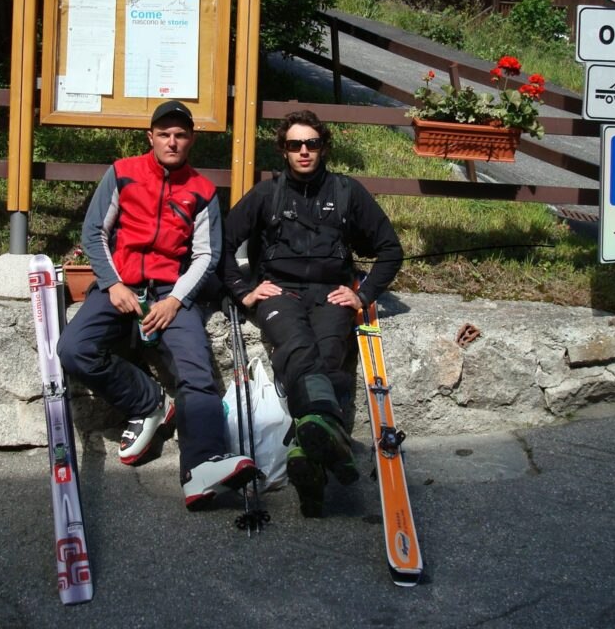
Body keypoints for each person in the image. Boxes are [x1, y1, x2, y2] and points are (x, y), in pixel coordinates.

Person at [58, 100, 258, 510]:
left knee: (196, 369)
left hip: (171, 292)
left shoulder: (202, 191)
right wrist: (113, 284)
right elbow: (94, 232)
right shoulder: (122, 173)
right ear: (150, 137)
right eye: (164, 134)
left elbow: (205, 255)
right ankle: (147, 402)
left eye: (181, 134)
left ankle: (202, 465)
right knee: (73, 349)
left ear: (191, 140)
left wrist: (175, 300)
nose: (172, 141)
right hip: (120, 288)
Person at [221, 109, 404, 517]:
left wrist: (363, 295)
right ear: (283, 151)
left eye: (311, 144)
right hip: (279, 292)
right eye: (294, 145)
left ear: (323, 147)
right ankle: (326, 433)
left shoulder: (347, 192)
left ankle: (311, 457)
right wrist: (244, 292)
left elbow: (391, 250)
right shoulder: (265, 196)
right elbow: (222, 247)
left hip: (330, 293)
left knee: (330, 351)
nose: (304, 152)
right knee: (297, 346)